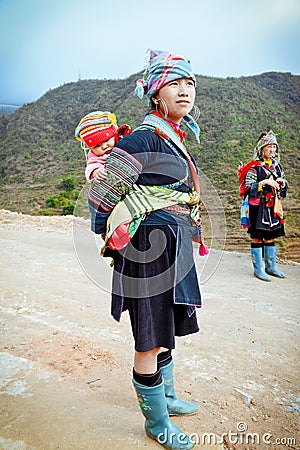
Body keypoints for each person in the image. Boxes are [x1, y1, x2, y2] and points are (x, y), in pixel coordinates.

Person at [88, 49, 204, 449]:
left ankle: (167, 399)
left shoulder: (171, 137)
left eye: (189, 83)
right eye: (175, 83)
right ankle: (156, 423)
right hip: (148, 252)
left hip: (171, 248)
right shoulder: (142, 137)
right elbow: (103, 193)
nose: (185, 90)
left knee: (165, 328)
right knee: (150, 337)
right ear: (156, 92)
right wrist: (110, 238)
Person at [239, 130, 288, 281]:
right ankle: (258, 269)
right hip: (257, 207)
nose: (272, 150)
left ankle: (271, 267)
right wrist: (264, 182)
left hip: (272, 206)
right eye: (269, 147)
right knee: (257, 237)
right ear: (261, 149)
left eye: (274, 147)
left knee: (270, 236)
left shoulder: (276, 166)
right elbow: (247, 188)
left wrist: (282, 183)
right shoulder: (254, 167)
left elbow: (284, 185)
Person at [75, 110, 132, 182]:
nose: (104, 146)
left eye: (106, 140)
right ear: (91, 149)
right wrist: (95, 172)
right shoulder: (96, 157)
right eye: (96, 146)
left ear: (115, 135)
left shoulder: (125, 142)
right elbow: (91, 167)